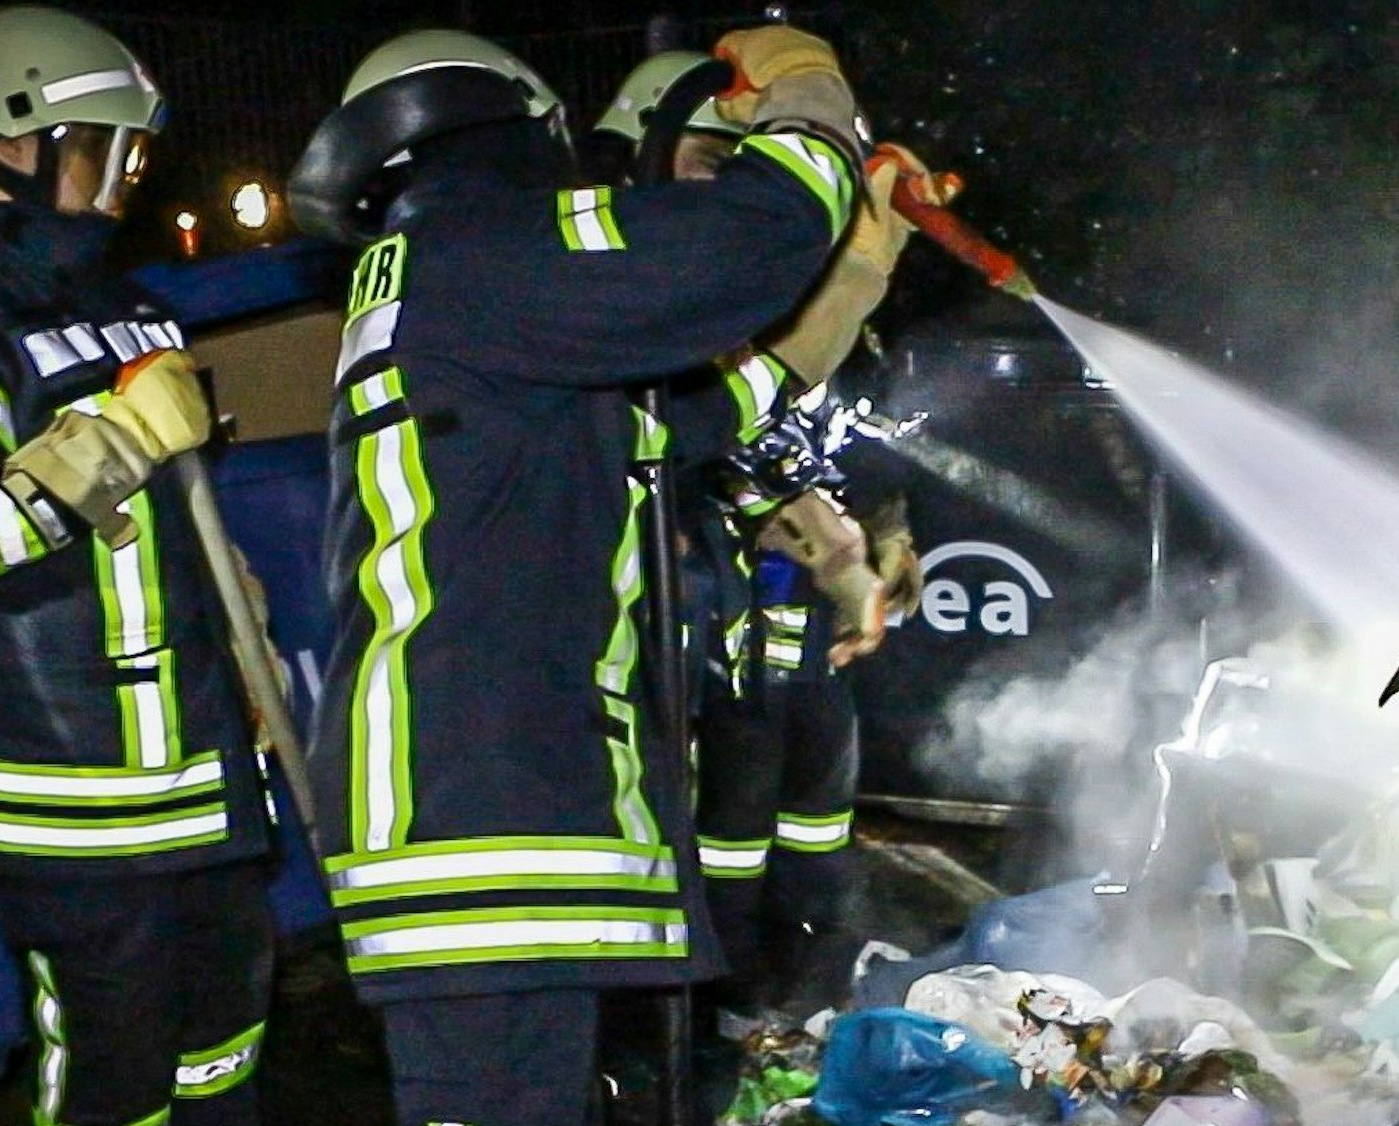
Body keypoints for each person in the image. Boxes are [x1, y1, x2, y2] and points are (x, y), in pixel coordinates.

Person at [285, 25, 866, 1126]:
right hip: (484, 797)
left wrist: (840, 304)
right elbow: (742, 243)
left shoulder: (455, 278)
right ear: (512, 123)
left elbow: (668, 428)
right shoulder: (485, 246)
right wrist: (808, 98)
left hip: (485, 788)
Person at [0, 9, 275, 1125]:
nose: (123, 180)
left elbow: (177, 528)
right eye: (106, 144)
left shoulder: (125, 302)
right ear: (18, 138)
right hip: (72, 794)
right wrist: (124, 436)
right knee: (113, 1071)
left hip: (199, 773)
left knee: (225, 1042)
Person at [595, 50, 932, 1012]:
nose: (731, 189)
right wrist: (815, 544)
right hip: (715, 658)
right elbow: (694, 448)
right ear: (641, 158)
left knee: (817, 842)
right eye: (708, 161)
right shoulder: (633, 302)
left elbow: (860, 446)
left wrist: (887, 544)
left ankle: (805, 1013)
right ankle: (716, 1025)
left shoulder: (797, 295)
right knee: (722, 849)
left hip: (815, 652)